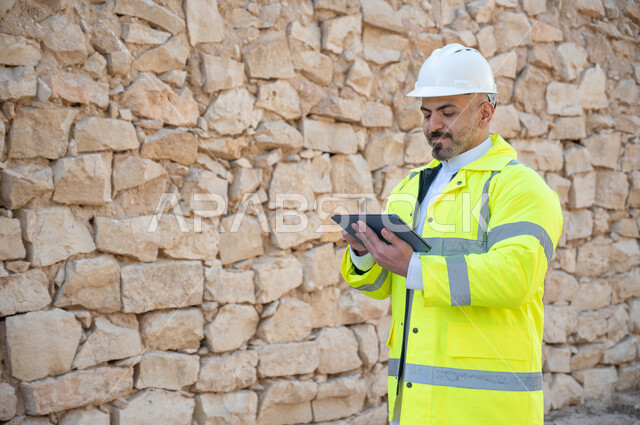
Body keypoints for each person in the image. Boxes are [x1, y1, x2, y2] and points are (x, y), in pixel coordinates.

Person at [339, 43, 563, 425]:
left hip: (486, 412)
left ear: (485, 113)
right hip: (413, 409)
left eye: (447, 112)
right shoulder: (412, 187)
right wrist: (365, 251)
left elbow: (516, 276)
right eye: (426, 113)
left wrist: (416, 268)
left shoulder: (519, 186)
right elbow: (384, 284)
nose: (432, 126)